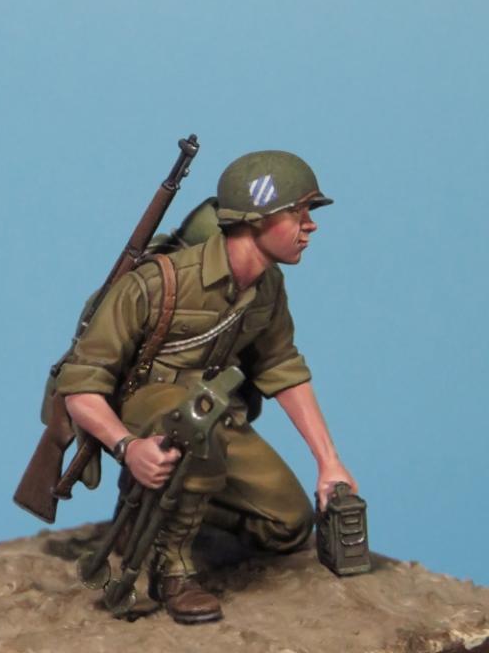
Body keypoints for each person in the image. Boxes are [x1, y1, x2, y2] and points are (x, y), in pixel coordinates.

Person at [55, 151, 357, 624]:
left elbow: (281, 367)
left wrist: (328, 462)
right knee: (195, 421)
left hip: (215, 419)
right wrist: (127, 447)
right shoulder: (158, 283)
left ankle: (154, 510)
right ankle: (171, 570)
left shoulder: (268, 288)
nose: (310, 225)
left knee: (287, 525)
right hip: (150, 410)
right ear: (255, 219)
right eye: (298, 212)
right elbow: (79, 386)